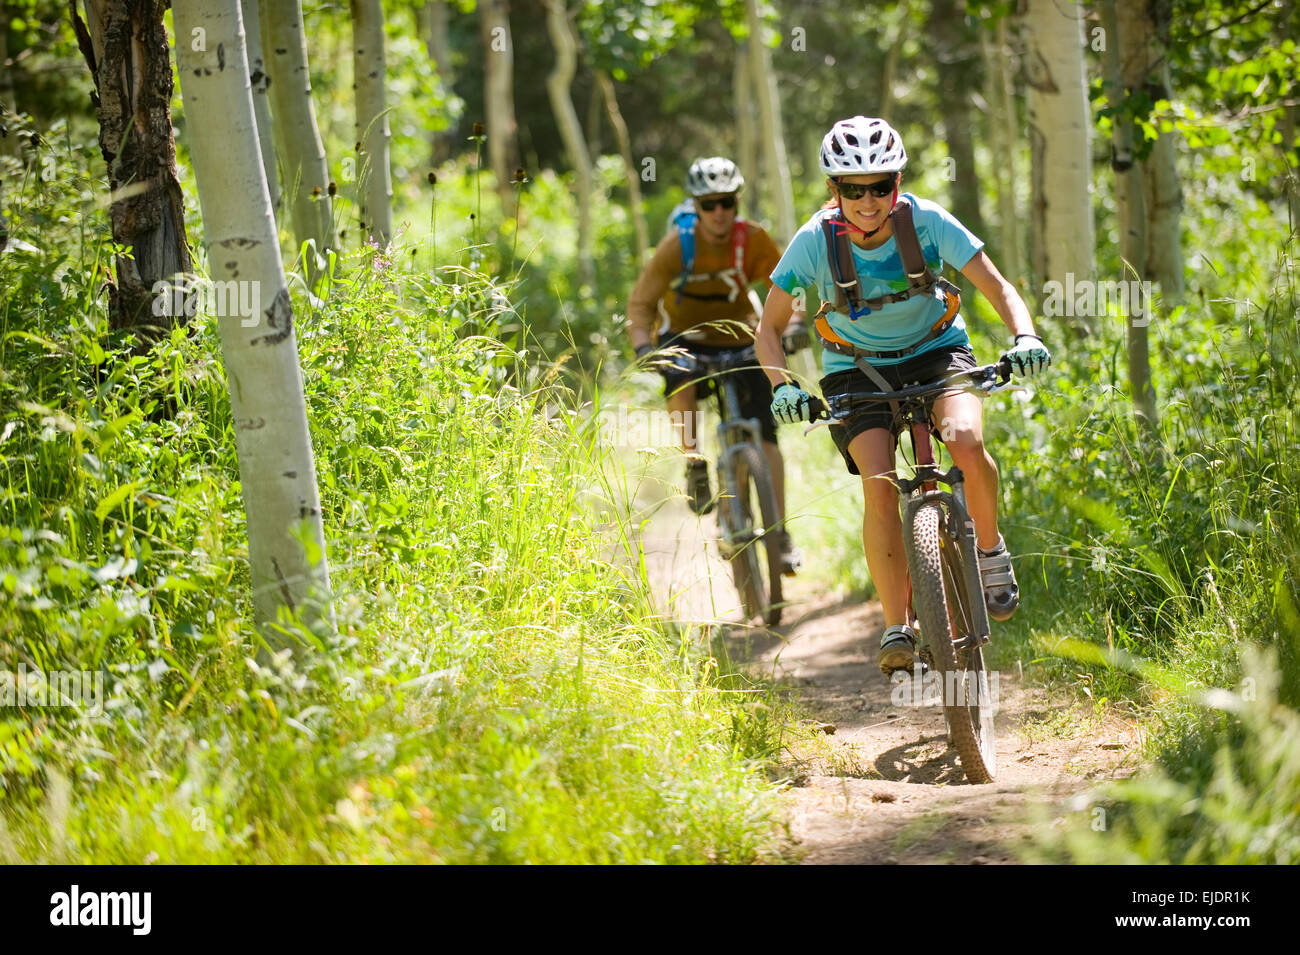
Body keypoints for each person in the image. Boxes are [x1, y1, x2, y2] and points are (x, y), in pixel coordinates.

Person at [754, 117, 1050, 674]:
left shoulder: (928, 221)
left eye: (880, 185)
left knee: (963, 438)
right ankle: (897, 625)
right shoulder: (814, 241)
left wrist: (1025, 334)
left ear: (897, 184)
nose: (868, 200)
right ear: (833, 190)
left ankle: (989, 551)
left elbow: (999, 287)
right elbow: (768, 330)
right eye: (852, 188)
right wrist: (781, 386)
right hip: (856, 368)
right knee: (878, 480)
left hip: (937, 349)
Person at [626, 156, 804, 574]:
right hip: (685, 338)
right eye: (709, 204)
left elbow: (788, 288)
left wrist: (793, 323)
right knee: (679, 377)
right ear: (695, 207)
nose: (719, 212)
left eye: (727, 202)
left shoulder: (754, 240)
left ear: (737, 202)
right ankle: (694, 463)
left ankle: (779, 532)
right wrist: (640, 345)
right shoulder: (677, 245)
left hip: (743, 337)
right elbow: (641, 302)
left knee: (767, 438)